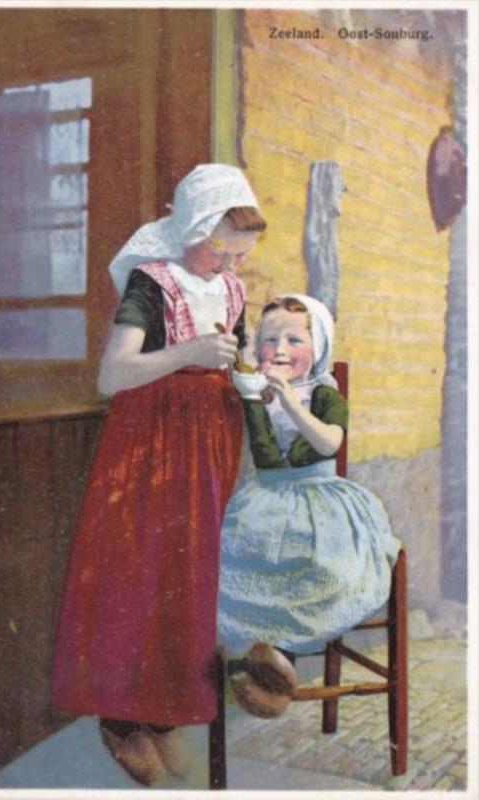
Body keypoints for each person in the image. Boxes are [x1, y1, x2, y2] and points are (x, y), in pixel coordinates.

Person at [51, 164, 266, 784]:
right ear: (191, 227)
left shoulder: (229, 289)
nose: (226, 261)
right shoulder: (154, 280)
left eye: (239, 253)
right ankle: (122, 719)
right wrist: (189, 356)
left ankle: (165, 717)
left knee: (189, 575)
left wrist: (256, 379)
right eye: (218, 246)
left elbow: (238, 356)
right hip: (148, 446)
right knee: (140, 570)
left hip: (210, 442)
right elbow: (112, 374)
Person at [217, 294, 401, 717]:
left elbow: (329, 443)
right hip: (265, 498)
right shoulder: (253, 388)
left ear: (318, 349)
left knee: (319, 561)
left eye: (293, 340)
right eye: (269, 340)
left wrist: (291, 402)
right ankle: (260, 658)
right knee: (240, 555)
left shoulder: (323, 393)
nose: (279, 350)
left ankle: (278, 657)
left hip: (321, 497)